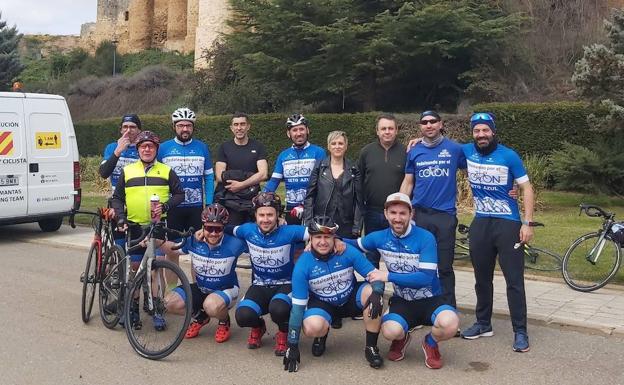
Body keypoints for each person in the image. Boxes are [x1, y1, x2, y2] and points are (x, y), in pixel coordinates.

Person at [346, 193, 460, 369]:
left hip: (431, 299)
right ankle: (402, 338)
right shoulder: (379, 237)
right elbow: (353, 244)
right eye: (393, 213)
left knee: (450, 324)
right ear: (386, 214)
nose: (397, 218)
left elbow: (425, 277)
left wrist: (388, 276)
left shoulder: (425, 237)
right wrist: (325, 240)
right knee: (390, 331)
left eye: (402, 213)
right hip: (403, 301)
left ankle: (430, 342)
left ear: (411, 214)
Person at [459, 112, 535, 353]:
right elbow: (439, 145)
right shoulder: (465, 151)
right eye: (477, 131)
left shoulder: (508, 155)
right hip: (481, 222)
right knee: (482, 279)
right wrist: (418, 141)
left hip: (508, 224)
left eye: (485, 130)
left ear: (493, 131)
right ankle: (483, 323)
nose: (481, 135)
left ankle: (520, 331)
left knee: (514, 280)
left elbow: (527, 188)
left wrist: (528, 223)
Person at [282, 216, 385, 373]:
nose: (323, 242)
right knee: (312, 327)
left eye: (327, 237)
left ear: (334, 238)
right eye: (318, 237)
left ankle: (371, 347)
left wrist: (377, 291)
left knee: (372, 294)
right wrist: (292, 345)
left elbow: (373, 274)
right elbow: (297, 308)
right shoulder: (303, 265)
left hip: (350, 297)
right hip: (324, 304)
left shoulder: (346, 251)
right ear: (310, 238)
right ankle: (321, 335)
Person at [110, 131, 185, 329]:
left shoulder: (166, 170)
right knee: (135, 270)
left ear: (156, 150)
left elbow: (180, 194)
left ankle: (156, 309)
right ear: (137, 149)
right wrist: (120, 217)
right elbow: (117, 198)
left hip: (157, 228)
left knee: (154, 270)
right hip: (134, 227)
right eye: (143, 146)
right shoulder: (128, 171)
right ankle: (133, 309)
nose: (147, 149)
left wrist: (166, 206)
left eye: (151, 146)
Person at [227, 192, 311, 356]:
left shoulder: (290, 231)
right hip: (260, 285)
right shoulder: (247, 230)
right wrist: (202, 233)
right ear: (255, 215)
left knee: (278, 309)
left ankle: (283, 332)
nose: (266, 219)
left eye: (270, 215)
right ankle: (259, 326)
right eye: (262, 215)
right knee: (243, 316)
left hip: (286, 284)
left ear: (278, 215)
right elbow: (225, 229)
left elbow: (321, 231)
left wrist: (330, 241)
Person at [400, 111, 466, 309]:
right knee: (421, 265)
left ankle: (448, 310)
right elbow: (408, 182)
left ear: (440, 124)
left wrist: (508, 189)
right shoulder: (414, 151)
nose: (428, 125)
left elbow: (474, 168)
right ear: (420, 126)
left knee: (444, 267)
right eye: (424, 122)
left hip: (445, 216)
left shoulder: (455, 149)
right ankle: (422, 308)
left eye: (433, 121)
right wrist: (403, 207)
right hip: (420, 216)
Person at [163, 204, 247, 343]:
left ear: (224, 228)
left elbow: (258, 237)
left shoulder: (235, 243)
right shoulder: (194, 241)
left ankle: (223, 320)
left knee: (211, 306)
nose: (213, 233)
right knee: (169, 303)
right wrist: (156, 242)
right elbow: (172, 249)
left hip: (226, 290)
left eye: (218, 229)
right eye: (209, 228)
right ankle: (201, 316)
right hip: (201, 289)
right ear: (202, 227)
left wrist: (280, 224)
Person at [158, 107, 214, 278]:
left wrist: (210, 205)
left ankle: (197, 290)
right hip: (173, 208)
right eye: (181, 125)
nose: (185, 129)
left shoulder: (202, 147)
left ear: (193, 127)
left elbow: (209, 178)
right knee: (172, 251)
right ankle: (172, 293)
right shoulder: (163, 148)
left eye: (188, 125)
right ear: (174, 126)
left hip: (196, 208)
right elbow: (158, 177)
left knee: (198, 251)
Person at [358, 114, 406, 268]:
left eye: (390, 128)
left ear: (396, 130)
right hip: (372, 211)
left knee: (398, 252)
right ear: (377, 131)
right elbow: (359, 180)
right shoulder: (366, 152)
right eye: (383, 128)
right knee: (372, 252)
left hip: (397, 213)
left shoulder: (406, 152)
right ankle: (375, 288)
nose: (387, 131)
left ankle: (400, 288)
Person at [263, 114, 326, 225]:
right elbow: (274, 181)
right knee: (294, 241)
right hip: (291, 208)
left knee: (315, 241)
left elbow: (323, 184)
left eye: (301, 129)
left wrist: (305, 205)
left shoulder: (318, 152)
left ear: (307, 130)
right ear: (289, 134)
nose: (298, 133)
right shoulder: (283, 155)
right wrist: (261, 197)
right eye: (294, 130)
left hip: (314, 207)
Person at [303, 130, 362, 239]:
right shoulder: (319, 167)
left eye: (340, 143)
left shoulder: (354, 169)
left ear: (346, 146)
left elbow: (359, 200)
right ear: (329, 146)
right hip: (322, 221)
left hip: (346, 223)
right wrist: (308, 224)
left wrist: (357, 226)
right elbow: (310, 197)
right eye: (333, 143)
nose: (337, 146)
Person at [214, 112, 268, 225]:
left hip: (252, 198)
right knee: (233, 232)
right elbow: (219, 176)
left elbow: (263, 174)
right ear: (231, 128)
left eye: (242, 124)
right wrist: (249, 176)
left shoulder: (258, 146)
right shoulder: (224, 147)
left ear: (248, 126)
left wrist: (241, 184)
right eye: (236, 124)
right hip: (230, 200)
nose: (239, 128)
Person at [99, 114, 142, 246]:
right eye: (125, 127)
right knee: (119, 247)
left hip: (136, 201)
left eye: (133, 127)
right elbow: (104, 173)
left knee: (135, 250)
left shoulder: (143, 148)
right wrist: (118, 152)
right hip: (116, 202)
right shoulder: (112, 147)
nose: (128, 130)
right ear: (120, 130)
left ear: (139, 130)